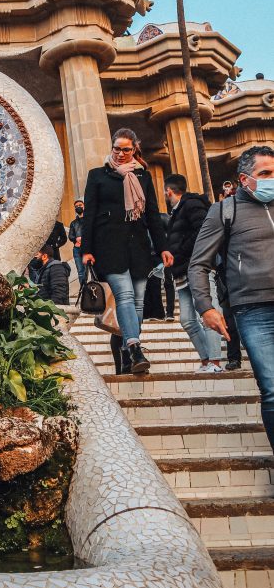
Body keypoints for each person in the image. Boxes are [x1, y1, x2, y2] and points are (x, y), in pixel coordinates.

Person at [189, 145, 274, 451]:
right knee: (273, 390)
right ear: (244, 179)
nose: (271, 180)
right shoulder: (224, 210)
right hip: (252, 309)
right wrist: (205, 307)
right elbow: (199, 264)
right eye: (264, 174)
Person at [81, 127, 172, 374]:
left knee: (139, 304)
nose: (121, 153)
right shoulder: (98, 175)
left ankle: (126, 353)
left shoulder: (143, 176)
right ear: (112, 148)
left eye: (126, 149)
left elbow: (152, 214)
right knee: (125, 296)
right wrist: (86, 249)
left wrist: (163, 247)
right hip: (109, 246)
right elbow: (88, 214)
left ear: (134, 150)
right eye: (117, 149)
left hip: (139, 247)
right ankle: (134, 347)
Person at [164, 174, 222, 373]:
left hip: (198, 267)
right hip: (181, 270)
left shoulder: (191, 205)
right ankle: (206, 360)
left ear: (169, 191)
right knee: (187, 319)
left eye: (165, 192)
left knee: (208, 313)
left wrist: (179, 251)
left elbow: (202, 232)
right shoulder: (176, 211)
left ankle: (215, 362)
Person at [68, 200, 86, 285]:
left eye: (80, 205)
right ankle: (83, 290)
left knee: (91, 271)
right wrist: (76, 239)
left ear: (84, 206)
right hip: (77, 249)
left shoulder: (89, 220)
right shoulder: (73, 223)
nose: (78, 207)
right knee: (80, 272)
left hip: (88, 248)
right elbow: (70, 236)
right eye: (76, 206)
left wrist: (84, 238)